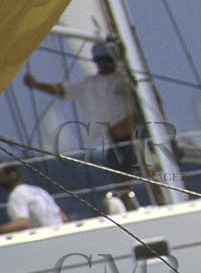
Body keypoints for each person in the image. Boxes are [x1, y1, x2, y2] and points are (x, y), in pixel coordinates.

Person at [23, 41, 139, 205]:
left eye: (108, 59)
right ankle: (127, 204)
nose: (106, 63)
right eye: (102, 59)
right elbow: (61, 90)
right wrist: (36, 85)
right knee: (121, 179)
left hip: (137, 139)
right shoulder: (88, 84)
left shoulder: (123, 80)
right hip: (117, 143)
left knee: (144, 170)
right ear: (96, 61)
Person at [0, 165, 66, 233]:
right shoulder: (39, 190)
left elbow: (23, 223)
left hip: (46, 236)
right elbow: (63, 218)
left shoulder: (17, 194)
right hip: (62, 233)